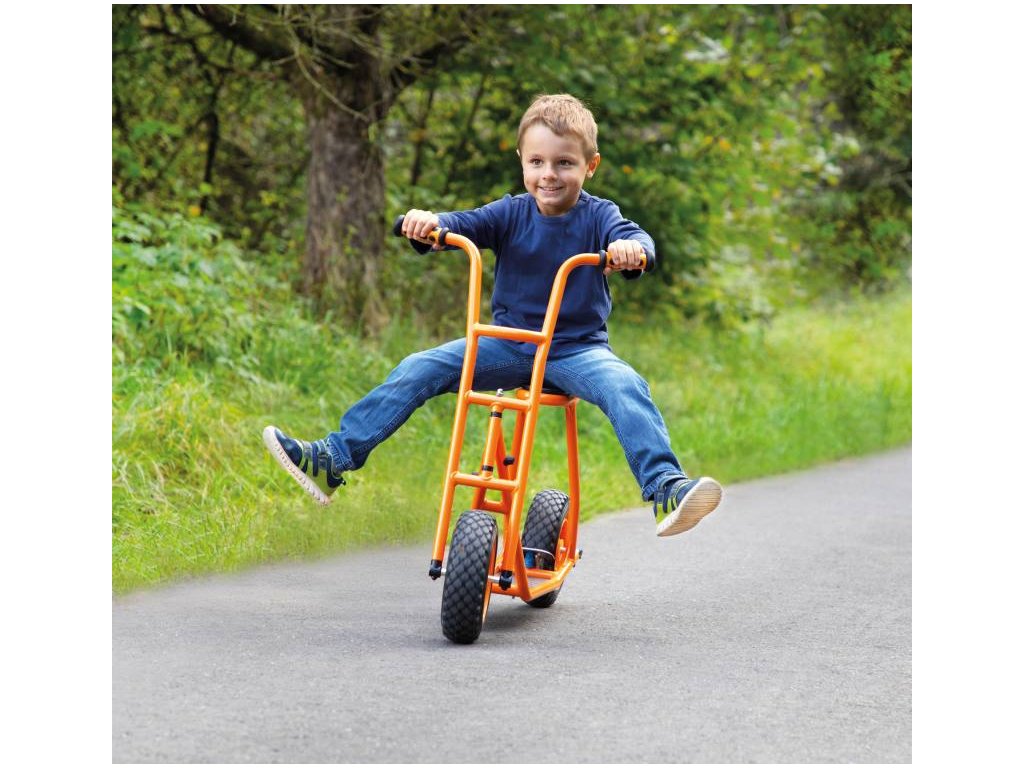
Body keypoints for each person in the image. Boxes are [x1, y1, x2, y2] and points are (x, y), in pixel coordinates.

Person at [263, 93, 723, 537]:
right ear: (522, 161)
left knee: (625, 384)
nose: (549, 174)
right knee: (419, 366)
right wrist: (428, 223)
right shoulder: (509, 213)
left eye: (564, 163)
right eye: (537, 162)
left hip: (575, 351)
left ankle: (665, 487)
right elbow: (458, 224)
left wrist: (630, 250)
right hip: (506, 345)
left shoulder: (600, 217)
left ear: (590, 165)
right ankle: (332, 459)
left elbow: (638, 239)